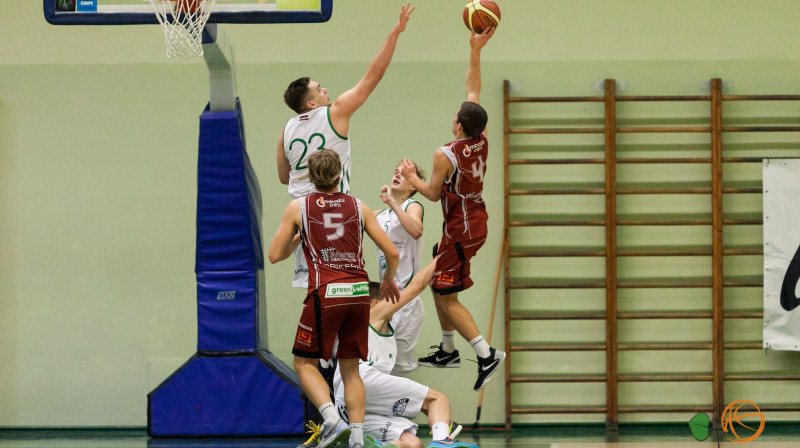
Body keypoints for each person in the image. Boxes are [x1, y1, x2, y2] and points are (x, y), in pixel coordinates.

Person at [269, 150, 401, 448]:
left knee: (304, 362)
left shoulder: (298, 208)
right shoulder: (359, 206)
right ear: (340, 175)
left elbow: (275, 255)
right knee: (350, 368)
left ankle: (331, 419)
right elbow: (392, 252)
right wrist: (389, 280)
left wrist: (300, 234)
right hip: (358, 292)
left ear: (309, 177)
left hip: (326, 292)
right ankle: (356, 437)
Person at [278, 3, 414, 289]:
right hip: (335, 211)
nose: (325, 89)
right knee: (342, 286)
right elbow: (374, 75)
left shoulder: (286, 130)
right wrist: (396, 33)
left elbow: (283, 177)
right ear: (312, 103)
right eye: (320, 88)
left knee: (315, 292)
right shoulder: (335, 112)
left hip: (303, 215)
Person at [399, 28, 505, 392]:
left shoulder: (446, 153)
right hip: (471, 221)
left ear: (459, 124)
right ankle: (447, 348)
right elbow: (473, 90)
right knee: (440, 276)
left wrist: (412, 177)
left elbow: (430, 194)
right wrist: (475, 50)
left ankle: (486, 352)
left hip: (462, 227)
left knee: (445, 293)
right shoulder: (481, 138)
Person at [331, 260, 479, 448]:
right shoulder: (370, 315)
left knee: (413, 443)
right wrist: (441, 257)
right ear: (376, 303)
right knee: (437, 400)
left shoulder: (380, 329)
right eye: (389, 298)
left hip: (350, 406)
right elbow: (414, 287)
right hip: (360, 381)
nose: (394, 302)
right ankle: (442, 441)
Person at [375, 162, 426, 376]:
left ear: (413, 186)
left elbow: (415, 230)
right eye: (395, 170)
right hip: (385, 300)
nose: (397, 173)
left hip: (406, 300)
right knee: (379, 368)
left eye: (403, 174)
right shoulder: (379, 215)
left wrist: (393, 202)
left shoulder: (412, 206)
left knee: (396, 371)